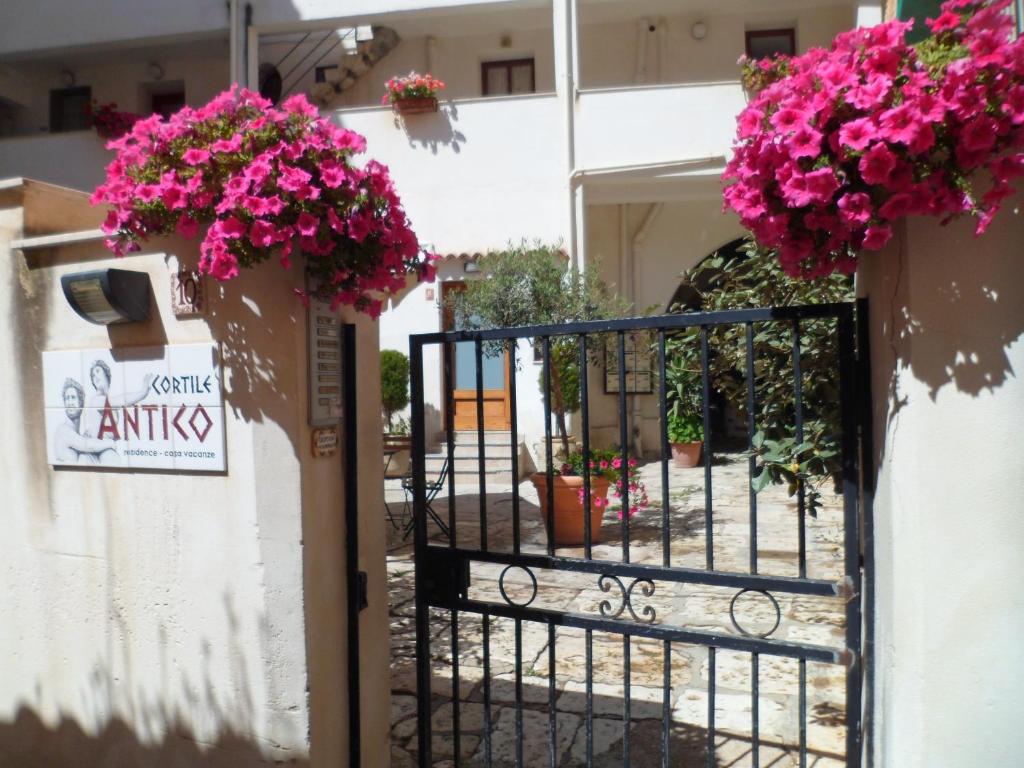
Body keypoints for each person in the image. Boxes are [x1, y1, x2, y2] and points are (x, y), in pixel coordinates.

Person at [81, 359, 155, 465]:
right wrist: (142, 393)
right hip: (101, 451)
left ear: (106, 374)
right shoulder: (97, 400)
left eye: (98, 371)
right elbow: (122, 400)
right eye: (93, 375)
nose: (95, 376)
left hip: (104, 450)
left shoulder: (107, 402)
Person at [53, 378, 115, 464]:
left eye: (73, 398)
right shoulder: (63, 430)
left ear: (81, 402)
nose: (70, 402)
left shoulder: (76, 435)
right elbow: (89, 446)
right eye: (67, 398)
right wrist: (110, 443)